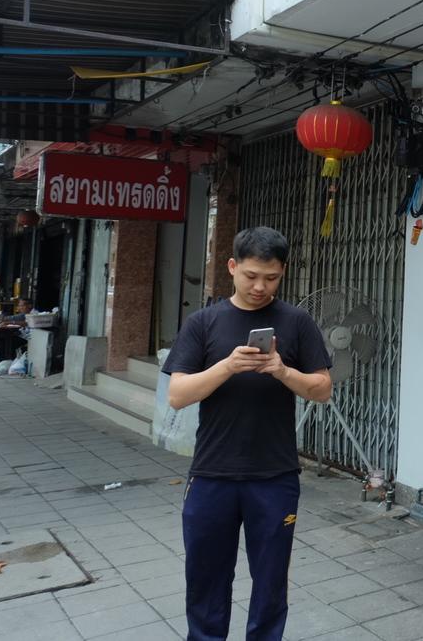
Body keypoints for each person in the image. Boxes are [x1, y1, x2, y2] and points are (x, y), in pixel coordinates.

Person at [164, 226, 332, 641]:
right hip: (212, 475)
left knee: (271, 583)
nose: (260, 287)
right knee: (205, 581)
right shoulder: (203, 322)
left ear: (283, 272)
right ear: (232, 267)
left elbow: (323, 389)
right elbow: (177, 395)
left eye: (271, 278)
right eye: (251, 276)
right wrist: (227, 365)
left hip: (274, 476)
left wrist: (281, 370)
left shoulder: (297, 322)